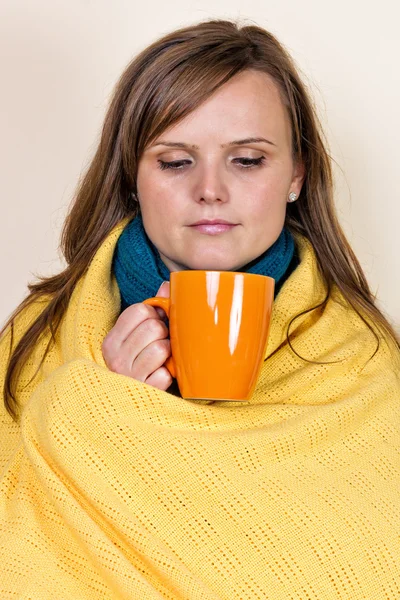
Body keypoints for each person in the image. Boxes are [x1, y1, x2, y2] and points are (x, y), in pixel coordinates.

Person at [1, 17, 399, 599]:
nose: (210, 189)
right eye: (175, 161)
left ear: (296, 174)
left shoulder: (365, 360)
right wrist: (99, 409)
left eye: (247, 160)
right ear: (132, 176)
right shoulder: (37, 333)